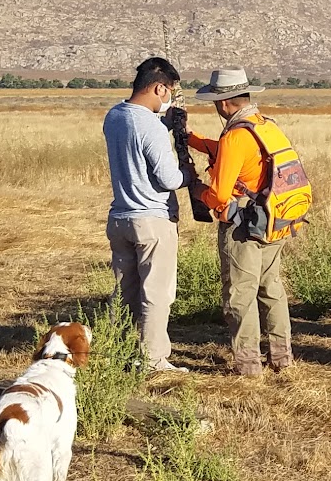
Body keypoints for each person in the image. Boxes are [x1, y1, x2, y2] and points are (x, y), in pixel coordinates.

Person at [185, 68, 302, 378]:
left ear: (223, 103)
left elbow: (220, 194)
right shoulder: (264, 126)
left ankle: (248, 365)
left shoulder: (236, 136)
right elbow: (235, 156)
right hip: (275, 220)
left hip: (244, 227)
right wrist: (193, 140)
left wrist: (197, 190)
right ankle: (282, 356)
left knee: (240, 293)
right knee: (271, 288)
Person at [103, 56, 207, 374]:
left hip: (120, 217)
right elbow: (168, 179)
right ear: (160, 88)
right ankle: (153, 361)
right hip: (152, 220)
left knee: (126, 291)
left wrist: (166, 124)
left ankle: (120, 351)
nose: (170, 99)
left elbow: (137, 138)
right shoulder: (151, 126)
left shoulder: (114, 115)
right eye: (171, 92)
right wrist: (188, 174)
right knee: (157, 293)